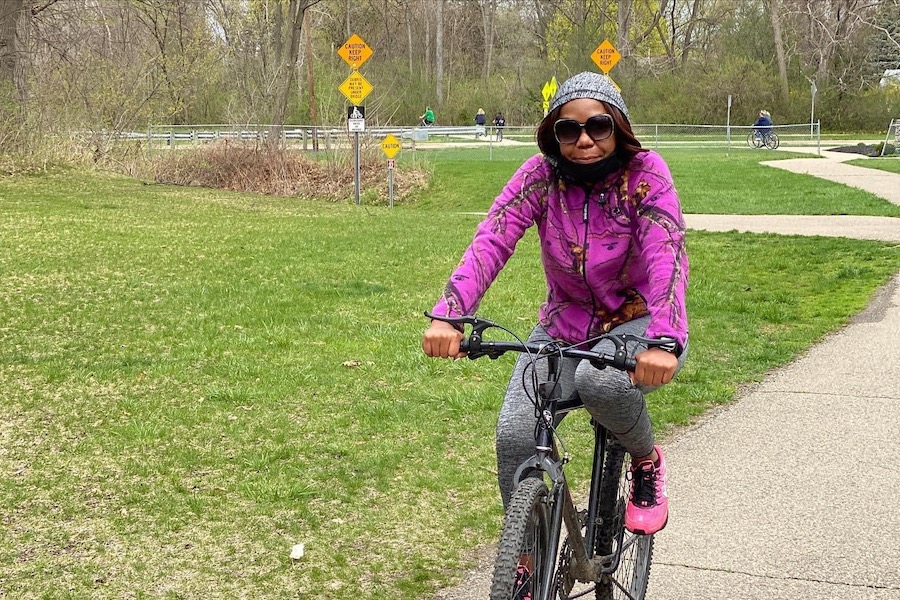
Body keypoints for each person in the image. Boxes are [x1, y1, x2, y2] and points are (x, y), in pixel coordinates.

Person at [422, 72, 689, 542]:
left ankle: (646, 460)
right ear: (554, 135)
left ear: (618, 128)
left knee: (598, 379)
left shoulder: (645, 175)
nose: (584, 139)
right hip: (563, 325)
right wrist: (449, 313)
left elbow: (665, 251)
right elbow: (494, 236)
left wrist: (664, 341)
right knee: (514, 435)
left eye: (599, 126)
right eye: (569, 130)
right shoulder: (540, 176)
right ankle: (525, 562)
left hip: (639, 322)